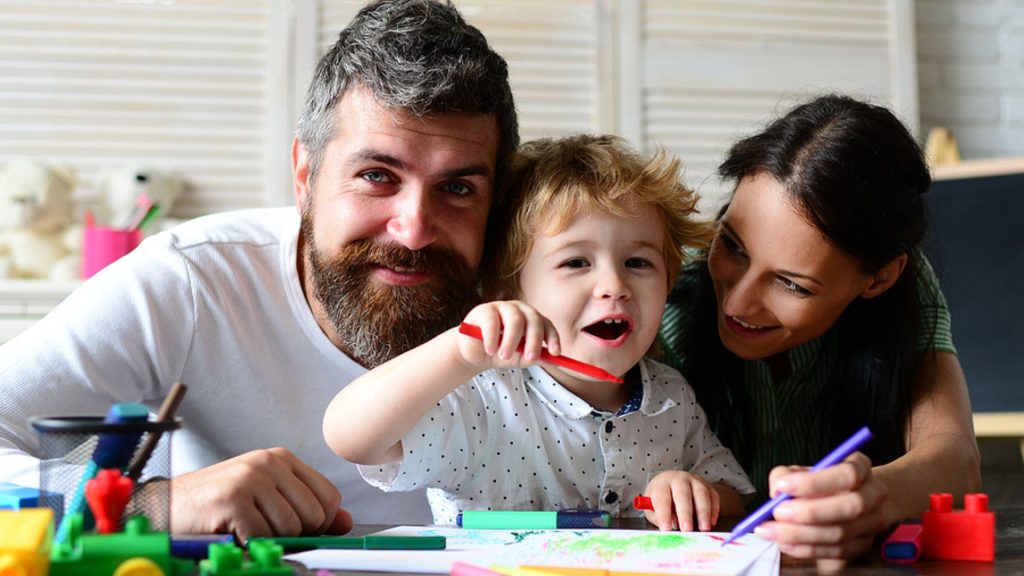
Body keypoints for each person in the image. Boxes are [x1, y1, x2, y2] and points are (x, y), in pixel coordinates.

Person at [0, 0, 518, 541]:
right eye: (376, 176)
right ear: (304, 176)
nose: (413, 229)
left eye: (458, 188)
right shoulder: (193, 280)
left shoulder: (555, 289)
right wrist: (151, 503)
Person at [323, 135, 756, 531]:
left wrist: (695, 494)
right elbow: (352, 438)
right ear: (507, 290)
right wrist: (458, 352)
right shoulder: (483, 397)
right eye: (576, 263)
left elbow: (736, 500)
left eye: (638, 263)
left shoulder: (671, 397)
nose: (615, 286)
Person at [656, 94, 981, 559]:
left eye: (792, 284)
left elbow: (955, 458)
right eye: (732, 245)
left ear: (879, 279)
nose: (739, 301)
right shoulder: (662, 289)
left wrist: (877, 494)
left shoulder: (906, 289)